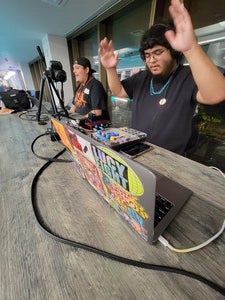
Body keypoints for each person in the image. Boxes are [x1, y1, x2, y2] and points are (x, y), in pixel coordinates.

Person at [98, 0, 225, 155]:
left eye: (158, 52)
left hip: (171, 160)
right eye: (147, 55)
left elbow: (216, 94)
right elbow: (119, 92)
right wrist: (110, 69)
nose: (151, 60)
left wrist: (191, 48)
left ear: (173, 52)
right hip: (137, 152)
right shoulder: (142, 78)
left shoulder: (186, 76)